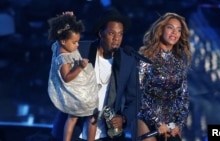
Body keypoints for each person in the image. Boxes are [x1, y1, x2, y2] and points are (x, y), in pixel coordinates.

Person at [51, 8, 138, 141]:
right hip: (75, 130)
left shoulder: (128, 60)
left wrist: (124, 118)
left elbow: (135, 98)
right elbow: (60, 50)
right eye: (111, 33)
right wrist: (65, 27)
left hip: (107, 133)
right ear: (100, 33)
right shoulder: (82, 50)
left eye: (120, 34)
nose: (116, 38)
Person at [137, 12, 192, 141]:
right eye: (170, 28)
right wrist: (157, 122)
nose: (174, 33)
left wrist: (179, 124)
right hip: (147, 118)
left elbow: (183, 97)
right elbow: (140, 93)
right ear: (161, 29)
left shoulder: (179, 61)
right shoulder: (146, 57)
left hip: (172, 124)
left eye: (178, 30)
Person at [47, 13, 99, 141]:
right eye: (74, 42)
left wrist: (68, 19)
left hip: (80, 88)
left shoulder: (60, 45)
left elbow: (60, 31)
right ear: (63, 41)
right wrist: (80, 67)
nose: (77, 45)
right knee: (92, 115)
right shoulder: (63, 58)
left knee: (74, 117)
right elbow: (67, 77)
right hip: (76, 92)